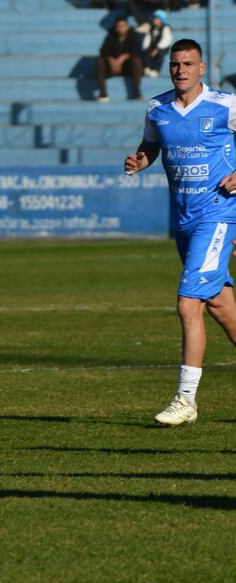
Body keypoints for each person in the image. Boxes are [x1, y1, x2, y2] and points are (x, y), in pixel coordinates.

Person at [124, 39, 236, 425]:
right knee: (221, 306)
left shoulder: (226, 105)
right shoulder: (157, 108)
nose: (181, 70)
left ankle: (185, 399)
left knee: (189, 302)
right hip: (184, 220)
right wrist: (141, 159)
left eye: (188, 63)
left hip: (218, 215)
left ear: (202, 68)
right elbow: (150, 146)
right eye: (175, 64)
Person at [96, 16, 143, 102]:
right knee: (100, 61)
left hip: (128, 68)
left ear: (127, 26)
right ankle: (102, 93)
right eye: (119, 26)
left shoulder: (133, 35)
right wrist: (111, 60)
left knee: (136, 60)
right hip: (111, 67)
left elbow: (138, 50)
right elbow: (103, 51)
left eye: (123, 26)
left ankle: (136, 91)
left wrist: (123, 57)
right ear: (115, 27)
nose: (121, 29)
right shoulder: (111, 35)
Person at [141, 10, 173, 78]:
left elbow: (166, 40)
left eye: (156, 18)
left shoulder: (165, 28)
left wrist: (158, 48)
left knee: (160, 55)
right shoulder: (152, 28)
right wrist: (146, 47)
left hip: (162, 48)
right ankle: (147, 67)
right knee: (146, 52)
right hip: (152, 47)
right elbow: (147, 38)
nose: (154, 20)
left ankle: (156, 70)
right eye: (154, 18)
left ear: (161, 20)